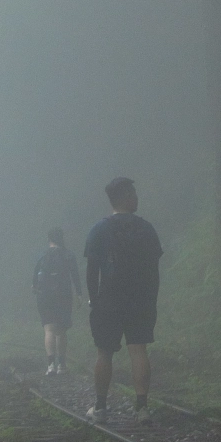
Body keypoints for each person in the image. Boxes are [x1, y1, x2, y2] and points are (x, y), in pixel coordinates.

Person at [83, 176, 164, 422]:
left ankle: (100, 408)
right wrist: (151, 298)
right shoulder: (146, 228)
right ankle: (142, 408)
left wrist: (94, 300)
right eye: (134, 194)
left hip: (108, 300)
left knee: (104, 352)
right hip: (140, 300)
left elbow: (91, 271)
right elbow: (154, 270)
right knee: (138, 350)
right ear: (126, 197)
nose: (137, 197)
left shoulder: (99, 229)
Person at [33, 227, 82, 377]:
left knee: (49, 330)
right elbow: (75, 276)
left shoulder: (41, 255)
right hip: (63, 296)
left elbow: (34, 279)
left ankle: (50, 366)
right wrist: (79, 294)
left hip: (44, 297)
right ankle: (62, 365)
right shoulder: (68, 255)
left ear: (49, 239)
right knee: (61, 331)